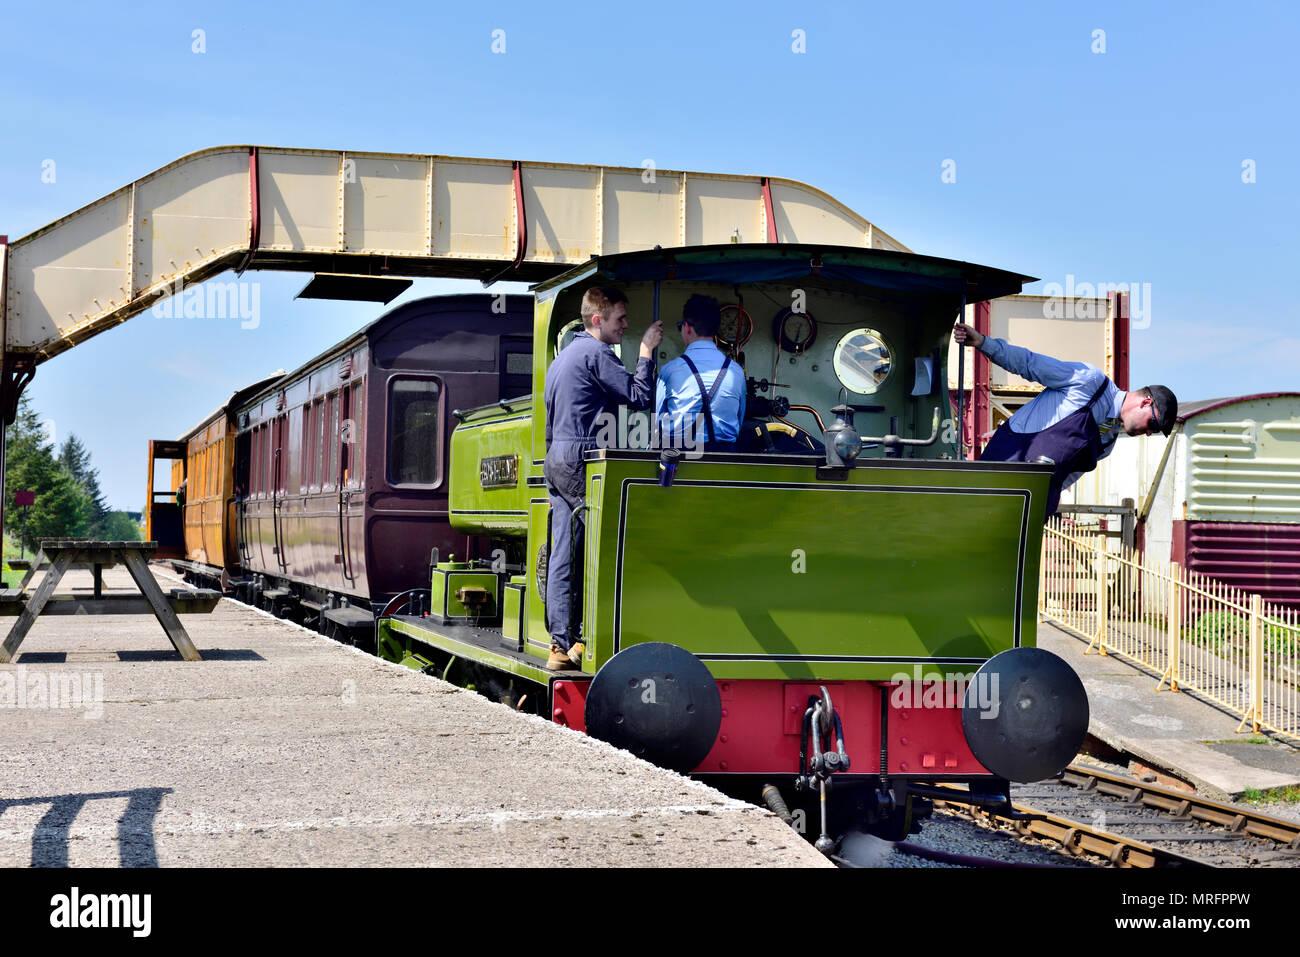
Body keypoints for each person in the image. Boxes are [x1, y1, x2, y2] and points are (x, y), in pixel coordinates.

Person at [543, 286, 663, 670]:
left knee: (564, 552)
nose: (626, 326)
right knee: (600, 545)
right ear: (598, 319)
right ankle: (588, 640)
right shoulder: (597, 354)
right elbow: (639, 395)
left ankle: (560, 647)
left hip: (556, 455)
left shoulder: (562, 358)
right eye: (620, 320)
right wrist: (646, 351)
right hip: (582, 455)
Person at [953, 322, 1176, 517]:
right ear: (1145, 403)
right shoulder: (1089, 381)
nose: (1148, 433)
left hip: (1027, 506)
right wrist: (983, 342)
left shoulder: (1107, 442)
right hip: (1001, 470)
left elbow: (1066, 478)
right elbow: (1031, 364)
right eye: (1152, 424)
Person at [655, 295, 747, 452]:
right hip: (724, 460)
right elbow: (740, 417)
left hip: (679, 461)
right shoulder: (736, 372)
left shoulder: (669, 371)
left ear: (688, 327)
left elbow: (658, 423)